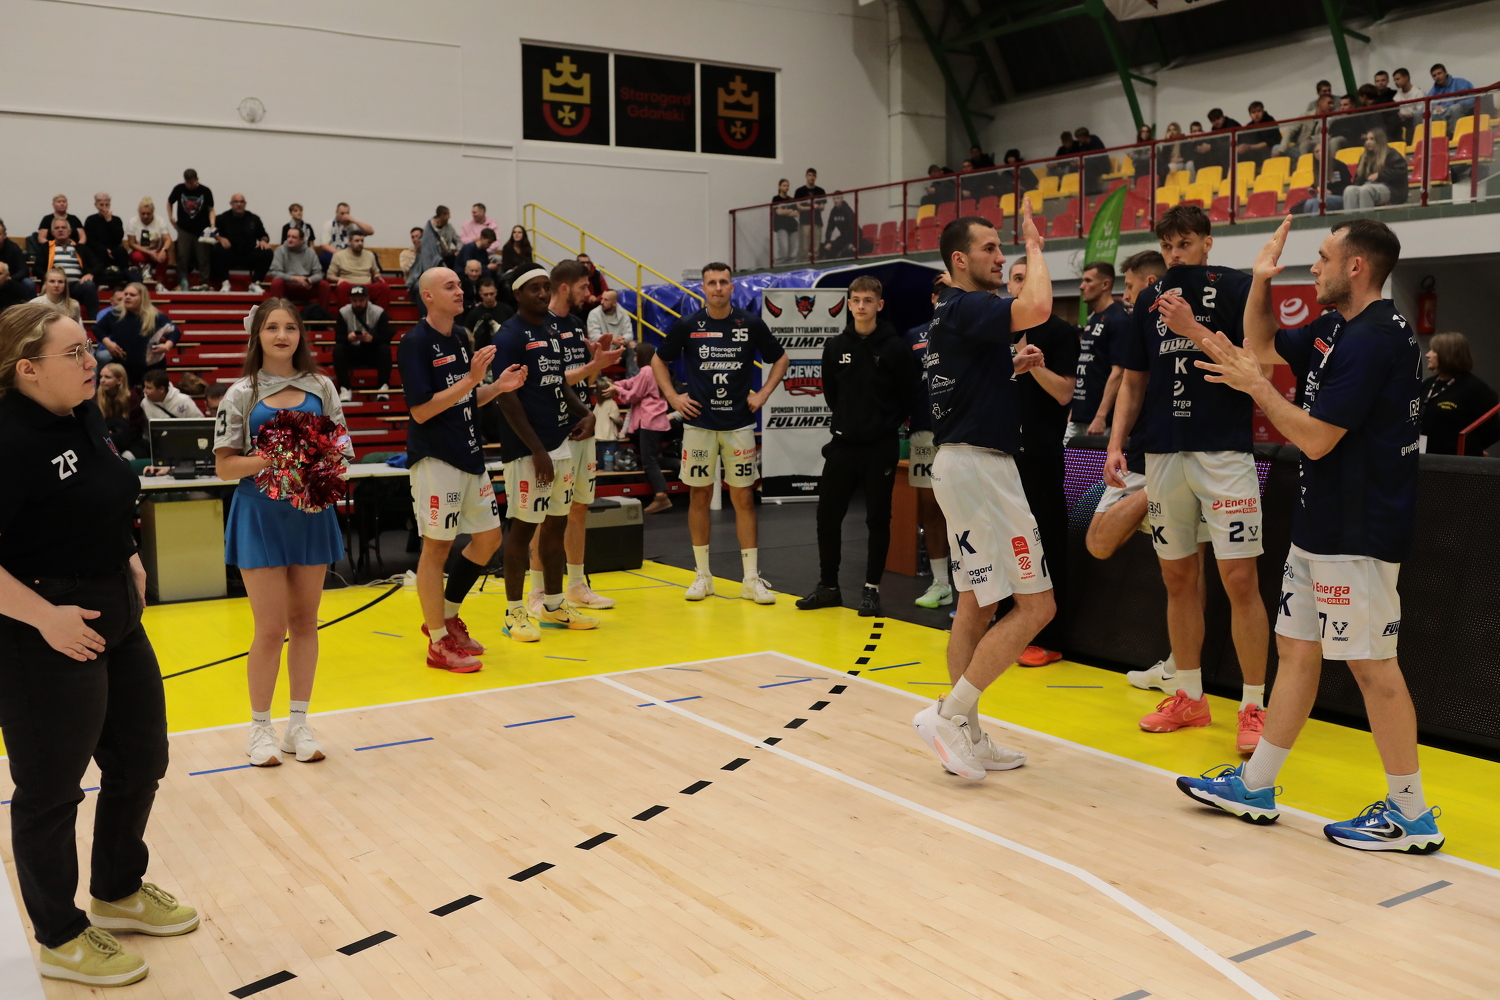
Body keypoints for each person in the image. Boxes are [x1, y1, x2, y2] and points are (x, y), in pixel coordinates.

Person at [1178, 216, 1445, 851]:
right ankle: (1256, 784)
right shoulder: (1336, 326)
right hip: (1320, 525)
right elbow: (1262, 342)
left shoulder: (1374, 339)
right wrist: (1259, 281)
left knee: (1373, 667)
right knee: (1296, 650)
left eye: (1323, 257)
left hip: (1358, 532)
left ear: (1356, 266)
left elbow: (1317, 439)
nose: (1315, 267)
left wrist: (1255, 388)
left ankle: (1412, 815)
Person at [0, 302, 198, 988]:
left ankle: (117, 890)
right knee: (51, 789)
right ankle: (59, 934)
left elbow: (103, 496)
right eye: (75, 354)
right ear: (27, 369)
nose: (93, 362)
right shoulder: (8, 440)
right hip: (43, 631)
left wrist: (129, 556)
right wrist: (44, 617)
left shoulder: (83, 413)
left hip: (117, 612)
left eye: (89, 349)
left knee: (142, 757)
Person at [1107, 204, 1268, 752]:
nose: (1176, 254)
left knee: (1240, 579)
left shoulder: (1238, 287)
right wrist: (1115, 442)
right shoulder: (1149, 297)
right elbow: (1133, 381)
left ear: (1207, 242)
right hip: (1163, 452)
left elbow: (1253, 364)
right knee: (1177, 578)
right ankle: (1190, 696)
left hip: (1223, 451)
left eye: (1185, 243)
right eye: (1168, 245)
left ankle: (1253, 705)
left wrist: (1191, 327)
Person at [908, 202, 1054, 780]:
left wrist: (1007, 368)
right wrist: (1035, 246)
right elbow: (1037, 307)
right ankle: (948, 716)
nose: (1000, 257)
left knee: (976, 603)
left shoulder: (952, 314)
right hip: (980, 469)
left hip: (962, 463)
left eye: (1004, 247)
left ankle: (967, 734)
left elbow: (963, 383)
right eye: (990, 249)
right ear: (960, 259)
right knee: (1038, 606)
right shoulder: (969, 304)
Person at [212, 299, 353, 767]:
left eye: (290, 327)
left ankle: (298, 724)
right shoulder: (240, 393)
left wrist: (322, 457)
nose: (281, 335)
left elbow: (341, 449)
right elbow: (225, 467)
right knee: (270, 629)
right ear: (257, 335)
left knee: (306, 622)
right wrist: (278, 456)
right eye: (272, 327)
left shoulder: (322, 386)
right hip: (259, 515)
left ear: (300, 335)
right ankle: (259, 729)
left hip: (310, 514)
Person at [399, 267, 526, 669]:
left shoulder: (458, 336)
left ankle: (448, 616)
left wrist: (496, 387)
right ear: (428, 296)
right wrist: (472, 379)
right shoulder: (414, 342)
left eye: (459, 285)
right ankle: (437, 642)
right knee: (436, 548)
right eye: (449, 286)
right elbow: (421, 411)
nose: (460, 291)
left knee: (488, 539)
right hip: (437, 459)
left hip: (470, 455)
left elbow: (464, 399)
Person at [653, 263, 789, 603]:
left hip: (739, 424)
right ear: (703, 288)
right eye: (711, 282)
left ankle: (750, 579)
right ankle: (703, 576)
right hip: (699, 425)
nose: (717, 287)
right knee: (699, 496)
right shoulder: (688, 325)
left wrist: (763, 394)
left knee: (743, 498)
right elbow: (658, 360)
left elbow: (781, 359)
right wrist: (673, 398)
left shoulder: (750, 323)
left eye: (723, 282)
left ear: (732, 287)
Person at [796, 276, 917, 617]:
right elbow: (831, 394)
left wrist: (880, 424)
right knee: (827, 516)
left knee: (877, 519)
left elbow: (908, 397)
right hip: (843, 444)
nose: (861, 306)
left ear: (879, 305)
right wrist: (850, 423)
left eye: (868, 300)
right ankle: (828, 587)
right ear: (848, 304)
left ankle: (871, 590)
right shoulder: (835, 347)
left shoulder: (895, 348)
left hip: (880, 447)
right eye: (856, 300)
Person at [491, 266, 598, 641]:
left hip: (559, 443)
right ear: (518, 294)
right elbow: (506, 397)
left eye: (545, 287)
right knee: (522, 530)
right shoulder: (508, 335)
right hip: (526, 450)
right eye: (533, 288)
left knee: (556, 527)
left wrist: (585, 413)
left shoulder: (551, 331)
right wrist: (537, 450)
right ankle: (513, 613)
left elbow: (557, 383)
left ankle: (554, 606)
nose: (541, 293)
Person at [523, 260, 623, 614]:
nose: (589, 293)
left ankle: (577, 584)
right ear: (564, 287)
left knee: (579, 506)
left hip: (583, 424)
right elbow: (553, 378)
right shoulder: (540, 324)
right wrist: (594, 366)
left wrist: (597, 362)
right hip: (554, 428)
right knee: (545, 512)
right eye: (583, 287)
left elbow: (584, 378)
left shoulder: (577, 324)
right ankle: (536, 590)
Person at [1007, 258, 1079, 667]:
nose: (1022, 285)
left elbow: (1065, 393)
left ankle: (1050, 638)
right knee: (1003, 545)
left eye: (1029, 278)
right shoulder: (995, 329)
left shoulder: (1059, 331)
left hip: (1041, 455)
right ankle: (1005, 625)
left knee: (1046, 544)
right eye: (1017, 278)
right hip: (999, 454)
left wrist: (1032, 364)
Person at [906, 273, 953, 609]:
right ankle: (941, 583)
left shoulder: (970, 328)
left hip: (962, 433)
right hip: (924, 431)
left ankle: (972, 586)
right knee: (930, 508)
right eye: (939, 293)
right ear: (933, 299)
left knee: (964, 510)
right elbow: (905, 385)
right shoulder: (914, 336)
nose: (943, 297)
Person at [604, 342, 673, 514]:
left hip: (649, 421)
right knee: (650, 458)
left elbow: (633, 395)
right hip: (655, 421)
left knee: (649, 461)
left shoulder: (647, 371)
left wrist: (617, 390)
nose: (634, 359)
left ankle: (661, 497)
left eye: (636, 355)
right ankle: (663, 489)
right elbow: (632, 382)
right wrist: (617, 385)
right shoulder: (655, 370)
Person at [1069, 261, 1128, 442]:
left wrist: (1101, 416)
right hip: (1079, 414)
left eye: (1088, 280)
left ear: (1105, 284)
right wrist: (1073, 410)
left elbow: (1119, 372)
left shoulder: (1118, 319)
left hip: (1101, 421)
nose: (1081, 286)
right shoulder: (1093, 318)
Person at [1420, 331, 1499, 455]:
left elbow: (1492, 431)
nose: (1427, 355)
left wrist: (1471, 449)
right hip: (1423, 456)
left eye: (1434, 351)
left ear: (1447, 354)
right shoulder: (1428, 384)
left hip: (1454, 461)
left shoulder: (1475, 388)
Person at [95, 282, 181, 386]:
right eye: (126, 294)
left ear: (142, 298)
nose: (127, 297)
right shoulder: (116, 314)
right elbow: (98, 329)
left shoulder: (155, 316)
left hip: (151, 367)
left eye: (132, 295)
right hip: (124, 365)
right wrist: (108, 343)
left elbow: (174, 332)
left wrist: (167, 346)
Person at [332, 286, 393, 401]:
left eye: (361, 300)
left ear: (367, 299)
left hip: (371, 352)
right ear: (350, 300)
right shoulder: (343, 312)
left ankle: (383, 388)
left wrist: (372, 339)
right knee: (338, 349)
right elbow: (338, 338)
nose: (358, 304)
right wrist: (348, 338)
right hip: (352, 351)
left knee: (384, 349)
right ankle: (345, 389)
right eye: (354, 300)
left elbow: (387, 337)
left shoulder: (378, 312)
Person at [34, 218, 100, 317]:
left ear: (69, 231)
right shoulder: (45, 247)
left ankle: (94, 320)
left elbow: (98, 264)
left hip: (75, 285)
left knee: (89, 285)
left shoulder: (80, 247)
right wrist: (48, 278)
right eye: (57, 228)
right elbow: (36, 268)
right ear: (52, 233)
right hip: (55, 284)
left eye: (63, 227)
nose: (60, 230)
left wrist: (90, 274)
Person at [212, 194, 272, 292]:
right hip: (230, 254)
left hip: (249, 254)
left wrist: (263, 241)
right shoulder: (222, 218)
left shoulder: (254, 218)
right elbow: (210, 233)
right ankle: (225, 283)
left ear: (245, 204)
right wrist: (220, 238)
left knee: (267, 252)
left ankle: (256, 283)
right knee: (217, 249)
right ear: (231, 204)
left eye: (241, 202)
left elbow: (264, 235)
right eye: (236, 202)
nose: (239, 204)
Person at [167, 169, 214, 290]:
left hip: (201, 230)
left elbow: (211, 209)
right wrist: (171, 217)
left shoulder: (205, 191)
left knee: (203, 257)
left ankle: (204, 282)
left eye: (192, 182)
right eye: (188, 183)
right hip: (184, 229)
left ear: (197, 179)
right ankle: (182, 282)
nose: (190, 185)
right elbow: (169, 202)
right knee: (182, 256)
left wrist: (212, 225)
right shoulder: (179, 189)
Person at [265, 228, 329, 308]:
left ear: (302, 240)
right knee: (276, 283)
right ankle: (275, 312)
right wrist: (294, 278)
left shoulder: (310, 252)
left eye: (294, 237)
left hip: (306, 286)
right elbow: (274, 273)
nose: (290, 240)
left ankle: (323, 313)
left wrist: (310, 280)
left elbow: (319, 273)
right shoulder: (280, 250)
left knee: (324, 285)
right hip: (288, 285)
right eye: (288, 236)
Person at [327, 232, 389, 306]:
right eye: (357, 241)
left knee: (384, 287)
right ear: (350, 241)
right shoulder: (338, 255)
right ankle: (345, 313)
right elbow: (330, 276)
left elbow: (376, 273)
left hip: (366, 287)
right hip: (349, 287)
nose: (360, 243)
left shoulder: (370, 255)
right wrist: (339, 279)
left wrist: (376, 276)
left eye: (362, 241)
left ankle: (380, 313)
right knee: (342, 287)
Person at [95, 361, 143, 457]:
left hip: (129, 441)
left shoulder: (132, 398)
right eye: (101, 377)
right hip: (103, 441)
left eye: (107, 377)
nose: (102, 380)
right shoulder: (95, 398)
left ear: (119, 380)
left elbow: (136, 428)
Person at [124, 198, 173, 288]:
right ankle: (142, 280)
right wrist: (150, 253)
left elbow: (168, 239)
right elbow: (132, 243)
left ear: (152, 213)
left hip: (156, 252)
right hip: (142, 252)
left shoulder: (160, 221)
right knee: (136, 256)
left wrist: (164, 250)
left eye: (148, 214)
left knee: (164, 257)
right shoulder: (133, 222)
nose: (145, 216)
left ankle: (159, 283)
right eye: (143, 214)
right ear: (139, 213)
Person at [587, 289, 636, 374]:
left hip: (618, 351)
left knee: (632, 347)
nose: (602, 302)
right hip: (600, 350)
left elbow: (629, 334)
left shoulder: (623, 314)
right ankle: (597, 381)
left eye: (606, 300)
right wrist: (613, 341)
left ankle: (633, 378)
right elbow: (594, 336)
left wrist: (623, 340)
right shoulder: (594, 314)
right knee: (592, 349)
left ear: (614, 303)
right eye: (602, 299)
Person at [84, 193, 129, 279]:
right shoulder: (91, 220)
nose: (104, 207)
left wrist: (109, 221)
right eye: (101, 205)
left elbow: (118, 238)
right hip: (97, 248)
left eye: (107, 205)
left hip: (114, 248)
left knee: (122, 252)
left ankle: (124, 276)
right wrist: (104, 250)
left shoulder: (116, 220)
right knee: (99, 253)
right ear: (96, 205)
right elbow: (90, 240)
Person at [315, 203, 374, 268]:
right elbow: (324, 245)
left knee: (373, 255)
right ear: (336, 213)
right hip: (336, 253)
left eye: (347, 213)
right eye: (342, 213)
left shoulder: (354, 225)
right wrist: (341, 255)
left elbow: (370, 231)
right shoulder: (329, 224)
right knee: (324, 257)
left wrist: (354, 220)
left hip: (353, 254)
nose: (345, 216)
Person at [464, 277, 515, 350]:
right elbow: (467, 332)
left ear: (496, 292)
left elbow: (514, 331)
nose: (489, 297)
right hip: (483, 351)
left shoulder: (507, 310)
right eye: (486, 294)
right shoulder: (474, 313)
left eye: (491, 294)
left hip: (505, 348)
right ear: (480, 294)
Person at [1281, 93, 1333, 159]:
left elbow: (1328, 135)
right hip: (1298, 148)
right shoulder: (1305, 116)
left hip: (1317, 150)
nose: (1332, 106)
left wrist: (1311, 138)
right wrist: (1281, 150)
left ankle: (1306, 163)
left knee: (1305, 145)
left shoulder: (1330, 120)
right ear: (1320, 103)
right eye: (1329, 103)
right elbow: (1290, 131)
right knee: (1276, 148)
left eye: (1332, 103)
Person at [1428, 63, 1475, 128]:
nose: (1437, 77)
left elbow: (1473, 98)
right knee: (1421, 112)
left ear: (1446, 72)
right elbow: (1427, 104)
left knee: (1455, 108)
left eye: (1439, 73)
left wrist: (1459, 104)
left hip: (1459, 113)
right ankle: (1433, 134)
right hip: (1442, 116)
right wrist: (1435, 107)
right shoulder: (1433, 90)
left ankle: (1456, 132)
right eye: (1434, 75)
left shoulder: (1460, 83)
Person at [793, 169, 826, 259]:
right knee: (804, 248)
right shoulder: (799, 191)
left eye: (813, 175)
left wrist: (817, 206)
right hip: (804, 222)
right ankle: (804, 266)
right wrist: (810, 207)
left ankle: (815, 265)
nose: (811, 177)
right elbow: (798, 207)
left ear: (816, 177)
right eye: (810, 175)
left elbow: (822, 207)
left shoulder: (820, 191)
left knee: (816, 249)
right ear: (806, 176)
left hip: (817, 222)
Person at [1235, 102, 1279, 167]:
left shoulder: (1270, 121)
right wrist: (1240, 147)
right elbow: (1242, 139)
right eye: (1253, 112)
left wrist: (1249, 147)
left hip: (1269, 150)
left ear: (1263, 111)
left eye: (1259, 111)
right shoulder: (1249, 126)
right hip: (1255, 153)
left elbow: (1268, 143)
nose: (1256, 114)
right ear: (1250, 114)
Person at [0, 219, 32, 299]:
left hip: (11, 278)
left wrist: (10, 278)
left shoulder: (13, 248)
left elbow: (24, 270)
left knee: (29, 283)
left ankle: (31, 306)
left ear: (4, 235)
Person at [771, 179, 801, 264]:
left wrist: (785, 211)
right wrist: (789, 211)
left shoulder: (791, 199)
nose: (786, 187)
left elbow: (796, 213)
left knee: (792, 253)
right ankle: (778, 268)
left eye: (787, 186)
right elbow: (778, 212)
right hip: (781, 226)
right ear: (779, 187)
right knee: (784, 251)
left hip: (792, 227)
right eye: (784, 185)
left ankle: (790, 268)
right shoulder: (776, 198)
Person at [819, 193, 858, 258]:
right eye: (834, 198)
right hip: (843, 236)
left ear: (842, 199)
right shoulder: (833, 211)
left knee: (848, 252)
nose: (835, 200)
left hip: (855, 236)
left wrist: (853, 243)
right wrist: (827, 242)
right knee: (829, 249)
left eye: (837, 198)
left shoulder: (847, 210)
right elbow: (830, 228)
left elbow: (854, 228)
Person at [1393, 67, 1423, 143]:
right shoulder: (1397, 96)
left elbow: (1420, 112)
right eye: (1394, 80)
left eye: (1398, 79)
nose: (1396, 82)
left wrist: (1410, 115)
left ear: (1406, 77)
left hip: (1414, 122)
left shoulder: (1418, 92)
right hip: (1402, 122)